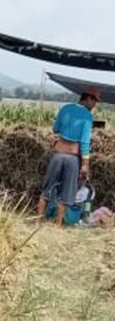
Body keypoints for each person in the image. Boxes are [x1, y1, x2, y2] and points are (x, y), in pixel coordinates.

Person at [38, 87, 101, 225]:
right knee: (67, 192)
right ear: (89, 98)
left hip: (58, 154)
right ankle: (58, 225)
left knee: (47, 189)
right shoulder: (87, 116)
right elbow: (84, 142)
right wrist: (85, 165)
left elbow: (55, 128)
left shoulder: (65, 108)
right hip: (72, 158)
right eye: (94, 101)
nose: (94, 105)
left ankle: (39, 221)